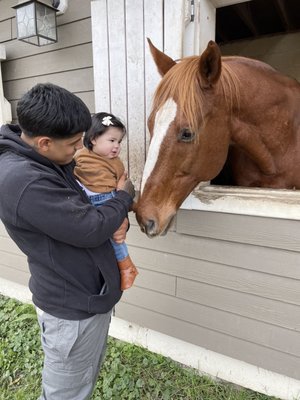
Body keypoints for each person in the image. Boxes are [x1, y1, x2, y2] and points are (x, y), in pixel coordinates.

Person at [0, 83, 135, 400]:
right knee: (67, 393)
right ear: (44, 142)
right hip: (71, 310)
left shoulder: (43, 158)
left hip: (86, 294)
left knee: (82, 378)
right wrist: (122, 198)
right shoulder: (25, 179)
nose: (78, 152)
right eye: (74, 145)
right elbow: (89, 227)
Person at [74, 112, 138, 290]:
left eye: (119, 142)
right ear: (93, 138)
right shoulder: (79, 156)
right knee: (101, 237)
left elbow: (122, 183)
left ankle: (126, 267)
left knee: (115, 238)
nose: (117, 146)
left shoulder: (116, 162)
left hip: (108, 199)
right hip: (86, 202)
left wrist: (122, 206)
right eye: (112, 140)